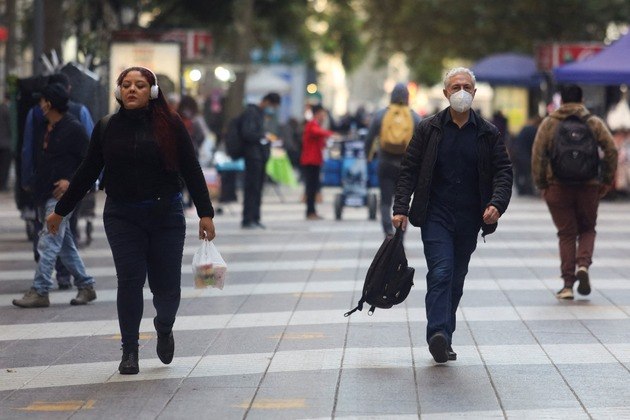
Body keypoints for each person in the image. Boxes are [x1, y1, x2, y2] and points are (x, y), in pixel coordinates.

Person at [45, 66, 216, 375]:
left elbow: (191, 168)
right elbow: (87, 171)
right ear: (118, 92)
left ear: (151, 92)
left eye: (139, 85)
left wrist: (206, 213)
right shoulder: (107, 127)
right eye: (126, 85)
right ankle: (130, 350)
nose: (132, 90)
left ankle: (164, 326)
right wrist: (62, 210)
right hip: (123, 215)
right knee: (130, 281)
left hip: (167, 216)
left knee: (166, 290)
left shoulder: (171, 125)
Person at [392, 67, 513, 363]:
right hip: (436, 214)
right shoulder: (428, 128)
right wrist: (400, 208)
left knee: (456, 278)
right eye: (455, 86)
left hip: (470, 218)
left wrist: (497, 203)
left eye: (466, 86)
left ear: (474, 92)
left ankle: (445, 334)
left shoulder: (488, 132)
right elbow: (409, 168)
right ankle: (437, 333)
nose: (461, 91)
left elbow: (503, 171)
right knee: (441, 272)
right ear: (446, 93)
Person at [12, 83, 96, 309]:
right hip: (44, 193)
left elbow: (91, 161)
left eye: (42, 101)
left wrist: (70, 181)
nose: (39, 105)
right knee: (64, 243)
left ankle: (40, 290)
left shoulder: (74, 128)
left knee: (48, 243)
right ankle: (86, 285)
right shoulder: (46, 126)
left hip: (60, 198)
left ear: (49, 104)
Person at [531, 84, 617, 300]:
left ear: (561, 102)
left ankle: (568, 285)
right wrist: (605, 180)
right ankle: (583, 266)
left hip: (558, 186)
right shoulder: (593, 122)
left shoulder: (550, 123)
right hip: (589, 186)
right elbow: (611, 150)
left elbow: (538, 155)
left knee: (566, 234)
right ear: (582, 101)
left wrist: (542, 184)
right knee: (587, 228)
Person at [365, 83, 422, 236]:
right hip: (407, 166)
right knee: (402, 202)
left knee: (385, 202)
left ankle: (388, 234)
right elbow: (424, 142)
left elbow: (369, 138)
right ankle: (400, 237)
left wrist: (367, 157)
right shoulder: (414, 117)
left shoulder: (381, 115)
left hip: (385, 162)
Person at [240, 92, 281, 229]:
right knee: (251, 188)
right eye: (273, 106)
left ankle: (255, 217)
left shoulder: (260, 114)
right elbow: (247, 133)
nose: (273, 109)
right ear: (267, 101)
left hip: (260, 156)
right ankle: (248, 219)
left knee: (257, 188)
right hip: (253, 156)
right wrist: (264, 136)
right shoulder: (252, 113)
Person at [300, 105, 335, 220]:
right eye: (322, 114)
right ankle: (310, 212)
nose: (324, 116)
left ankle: (312, 211)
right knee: (311, 187)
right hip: (310, 160)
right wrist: (331, 134)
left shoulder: (316, 124)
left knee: (313, 187)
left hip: (315, 160)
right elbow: (318, 132)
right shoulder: (312, 124)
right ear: (317, 114)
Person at [511, 116, 542, 196]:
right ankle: (527, 189)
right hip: (526, 155)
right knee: (527, 173)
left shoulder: (525, 128)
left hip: (518, 153)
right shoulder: (534, 130)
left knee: (519, 172)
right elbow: (533, 144)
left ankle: (520, 189)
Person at [0, 93, 12, 191]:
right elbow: (10, 127)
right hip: (6, 142)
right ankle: (3, 185)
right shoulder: (8, 111)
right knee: (5, 165)